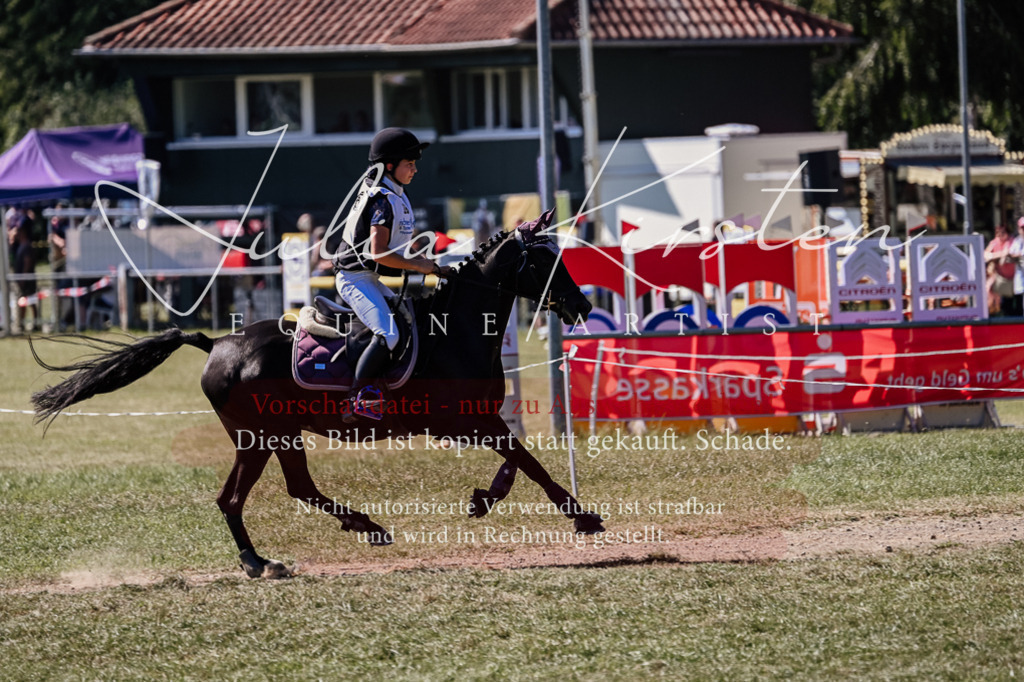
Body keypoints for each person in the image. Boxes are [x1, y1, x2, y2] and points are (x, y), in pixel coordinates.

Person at [333, 128, 453, 419]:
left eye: (415, 163)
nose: (414, 168)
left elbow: (400, 245)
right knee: (388, 333)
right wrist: (421, 266)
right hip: (353, 278)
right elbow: (379, 253)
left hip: (368, 277)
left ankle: (387, 388)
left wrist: (425, 261)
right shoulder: (382, 199)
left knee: (409, 322)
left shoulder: (394, 192)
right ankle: (356, 399)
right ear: (389, 166)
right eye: (408, 163)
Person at [985, 224, 1017, 316]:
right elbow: (986, 255)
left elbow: (1006, 252)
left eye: (1002, 232)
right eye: (997, 232)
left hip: (1013, 278)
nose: (1000, 234)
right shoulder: (994, 242)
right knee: (989, 288)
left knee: (1012, 302)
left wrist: (994, 256)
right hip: (999, 277)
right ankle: (993, 312)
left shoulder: (1011, 241)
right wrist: (997, 256)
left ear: (1007, 233)